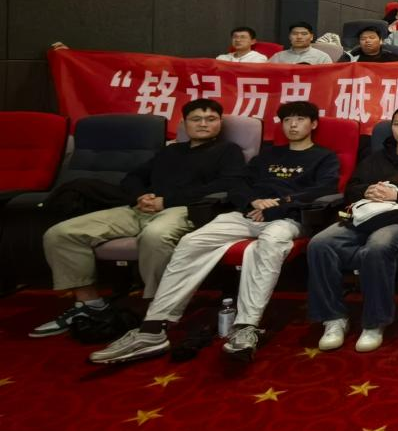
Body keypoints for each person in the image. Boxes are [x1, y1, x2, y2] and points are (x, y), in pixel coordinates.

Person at [89, 102, 341, 364]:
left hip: (289, 217)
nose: (293, 125)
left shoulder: (323, 157)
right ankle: (153, 328)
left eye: (300, 119)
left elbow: (324, 189)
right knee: (192, 241)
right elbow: (237, 184)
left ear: (313, 124)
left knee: (270, 243)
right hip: (247, 214)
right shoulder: (267, 156)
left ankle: (246, 326)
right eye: (287, 120)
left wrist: (280, 204)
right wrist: (252, 202)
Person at [31, 99, 248, 338]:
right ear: (185, 123)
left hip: (183, 209)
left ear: (220, 123)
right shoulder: (170, 151)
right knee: (61, 233)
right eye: (196, 119)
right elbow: (133, 177)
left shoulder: (228, 151)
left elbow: (228, 184)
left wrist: (167, 201)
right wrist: (140, 196)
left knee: (154, 236)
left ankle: (159, 308)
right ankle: (89, 304)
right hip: (140, 208)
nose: (203, 124)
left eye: (211, 119)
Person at [308, 105, 398, 352]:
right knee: (320, 243)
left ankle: (374, 322)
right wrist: (367, 191)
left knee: (377, 246)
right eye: (397, 124)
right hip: (366, 216)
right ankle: (333, 318)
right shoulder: (376, 158)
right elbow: (350, 190)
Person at [268, 22, 333, 65]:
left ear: (311, 37)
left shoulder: (322, 57)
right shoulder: (278, 57)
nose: (299, 37)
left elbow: (329, 77)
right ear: (289, 37)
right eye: (295, 34)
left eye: (304, 34)